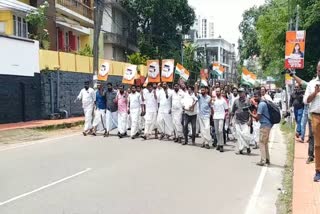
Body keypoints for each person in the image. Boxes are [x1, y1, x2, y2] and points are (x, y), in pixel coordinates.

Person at [304, 60, 320, 182]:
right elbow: (306, 101)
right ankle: (318, 171)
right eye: (319, 69)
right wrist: (315, 92)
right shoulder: (311, 84)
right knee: (318, 145)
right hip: (316, 116)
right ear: (317, 70)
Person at [251, 90, 273, 166]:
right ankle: (267, 159)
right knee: (265, 143)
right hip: (268, 124)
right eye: (254, 96)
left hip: (264, 125)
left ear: (259, 96)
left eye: (256, 96)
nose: (255, 98)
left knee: (261, 143)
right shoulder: (264, 103)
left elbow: (258, 117)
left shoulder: (261, 104)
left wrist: (250, 113)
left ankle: (263, 160)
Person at [231, 88, 251, 155]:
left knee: (245, 135)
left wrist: (250, 120)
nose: (240, 93)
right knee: (239, 135)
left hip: (246, 121)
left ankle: (247, 147)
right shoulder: (236, 101)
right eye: (239, 92)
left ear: (244, 93)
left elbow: (251, 112)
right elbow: (233, 111)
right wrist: (231, 120)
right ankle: (241, 149)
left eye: (241, 92)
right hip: (237, 121)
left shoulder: (248, 101)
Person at [212, 87, 229, 152]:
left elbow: (226, 110)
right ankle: (219, 144)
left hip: (221, 117)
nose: (217, 93)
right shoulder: (214, 99)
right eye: (216, 91)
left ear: (220, 92)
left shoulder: (223, 100)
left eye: (218, 91)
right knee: (216, 131)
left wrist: (226, 115)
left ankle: (221, 145)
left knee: (220, 131)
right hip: (215, 116)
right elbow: (211, 107)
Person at [197, 84, 212, 149]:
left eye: (203, 90)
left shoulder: (209, 97)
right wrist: (196, 85)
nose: (202, 91)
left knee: (207, 128)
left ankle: (207, 141)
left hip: (206, 115)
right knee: (203, 130)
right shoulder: (199, 96)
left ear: (206, 91)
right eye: (201, 90)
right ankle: (205, 142)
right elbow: (195, 94)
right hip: (200, 115)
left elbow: (210, 105)